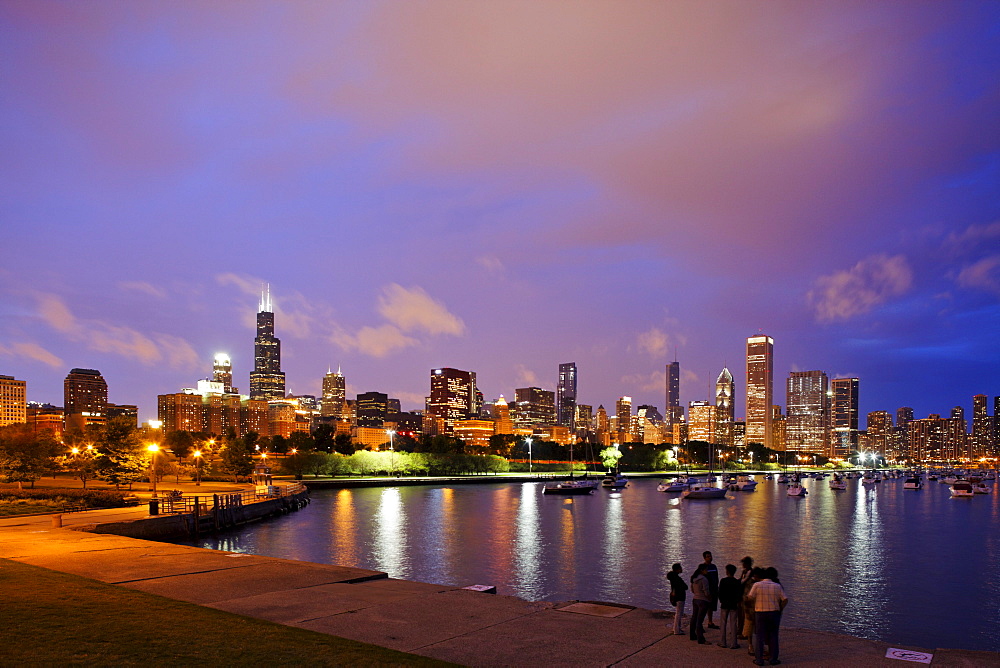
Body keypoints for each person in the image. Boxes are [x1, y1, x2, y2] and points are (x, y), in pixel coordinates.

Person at [747, 566, 788, 666]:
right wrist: (780, 608)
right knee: (773, 636)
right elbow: (785, 599)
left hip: (760, 612)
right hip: (774, 613)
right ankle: (773, 659)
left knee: (759, 637)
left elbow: (750, 597)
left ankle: (759, 660)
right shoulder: (777, 586)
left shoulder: (757, 585)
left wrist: (754, 605)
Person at [716, 563, 741, 649]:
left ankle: (723, 642)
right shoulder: (737, 582)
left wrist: (721, 600)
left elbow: (719, 592)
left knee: (723, 623)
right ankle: (733, 643)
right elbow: (739, 595)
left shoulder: (723, 581)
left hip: (725, 604)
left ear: (727, 572)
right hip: (733, 605)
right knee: (733, 624)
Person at [689, 563, 710, 644]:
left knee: (694, 618)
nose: (707, 571)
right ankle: (701, 639)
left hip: (695, 599)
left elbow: (692, 590)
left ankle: (692, 635)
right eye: (706, 570)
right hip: (703, 600)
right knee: (699, 620)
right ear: (702, 570)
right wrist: (709, 598)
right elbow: (706, 592)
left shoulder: (694, 579)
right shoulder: (704, 579)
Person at [667, 562, 687, 635]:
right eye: (680, 568)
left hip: (676, 597)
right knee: (679, 613)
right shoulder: (677, 579)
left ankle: (676, 628)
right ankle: (677, 630)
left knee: (678, 613)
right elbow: (685, 587)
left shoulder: (673, 578)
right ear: (677, 569)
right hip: (680, 597)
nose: (681, 569)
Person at [737, 555, 754, 640]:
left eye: (744, 563)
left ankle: (745, 632)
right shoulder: (744, 571)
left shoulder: (751, 572)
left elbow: (743, 582)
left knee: (745, 615)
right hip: (742, 596)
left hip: (747, 596)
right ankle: (739, 630)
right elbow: (740, 580)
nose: (742, 565)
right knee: (740, 614)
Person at [702, 550, 720, 628]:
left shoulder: (714, 566)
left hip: (714, 589)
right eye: (708, 556)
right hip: (706, 590)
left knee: (711, 607)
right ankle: (701, 623)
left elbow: (716, 577)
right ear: (704, 558)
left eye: (710, 556)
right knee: (704, 607)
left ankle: (710, 622)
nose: (710, 558)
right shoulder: (703, 567)